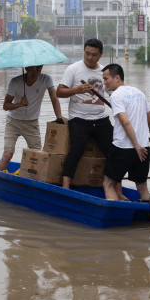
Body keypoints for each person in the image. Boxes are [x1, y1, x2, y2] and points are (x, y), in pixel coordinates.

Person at [57, 38, 113, 189]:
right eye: (87, 53)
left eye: (94, 55)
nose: (89, 57)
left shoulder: (104, 72)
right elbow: (59, 92)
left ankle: (113, 186)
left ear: (100, 54)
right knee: (76, 149)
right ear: (83, 51)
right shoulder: (73, 69)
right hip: (79, 119)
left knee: (114, 151)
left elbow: (112, 94)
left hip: (101, 119)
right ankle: (65, 186)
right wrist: (76, 90)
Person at [101, 63, 150, 202]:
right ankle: (148, 219)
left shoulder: (116, 95)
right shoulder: (139, 93)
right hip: (144, 149)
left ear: (117, 77)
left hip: (123, 148)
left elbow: (125, 121)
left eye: (106, 79)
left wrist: (136, 144)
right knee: (142, 187)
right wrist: (143, 139)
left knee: (108, 184)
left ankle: (114, 217)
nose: (104, 82)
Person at [0, 65, 63, 172]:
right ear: (26, 69)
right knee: (7, 154)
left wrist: (59, 118)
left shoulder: (46, 79)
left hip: (32, 123)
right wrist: (19, 104)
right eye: (33, 70)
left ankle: (34, 181)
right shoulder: (15, 82)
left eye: (39, 69)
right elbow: (5, 106)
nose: (36, 73)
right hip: (13, 122)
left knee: (37, 156)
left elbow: (54, 99)